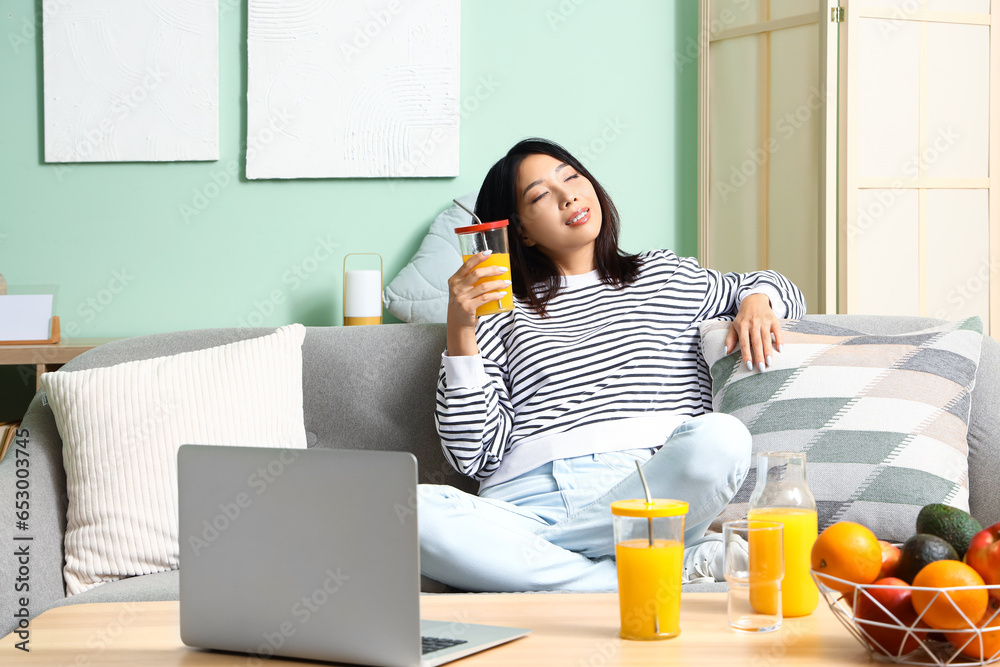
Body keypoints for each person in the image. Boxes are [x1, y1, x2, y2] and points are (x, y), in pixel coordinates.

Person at [418, 137, 806, 592]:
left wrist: (757, 300)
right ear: (520, 230)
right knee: (401, 509)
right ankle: (658, 571)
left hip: (651, 490)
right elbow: (472, 454)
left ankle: (559, 567)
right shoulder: (495, 309)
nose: (568, 196)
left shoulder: (667, 275)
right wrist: (461, 327)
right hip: (525, 502)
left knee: (724, 439)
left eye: (572, 177)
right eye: (541, 195)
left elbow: (783, 290)